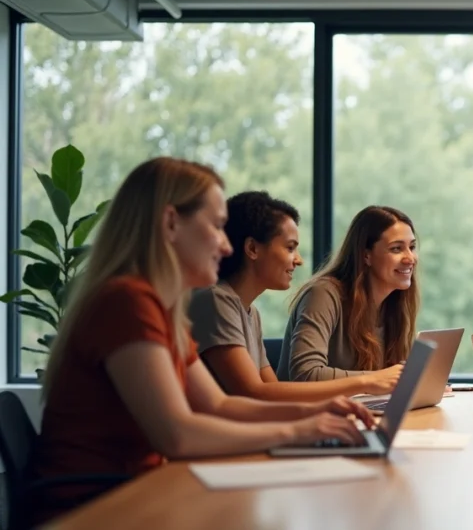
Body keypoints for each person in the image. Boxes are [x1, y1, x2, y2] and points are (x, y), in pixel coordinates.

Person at [26, 158, 374, 527]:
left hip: (141, 492)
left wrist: (316, 413)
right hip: (96, 510)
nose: (226, 246)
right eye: (218, 227)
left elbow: (220, 404)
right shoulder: (126, 302)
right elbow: (178, 435)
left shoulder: (163, 306)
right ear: (171, 222)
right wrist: (299, 431)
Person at [189, 191, 371, 399]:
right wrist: (366, 382)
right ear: (252, 248)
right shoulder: (215, 300)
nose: (298, 260)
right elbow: (255, 392)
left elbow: (271, 390)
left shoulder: (250, 312)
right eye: (290, 248)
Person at [276, 206, 418, 390]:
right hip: (304, 416)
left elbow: (392, 379)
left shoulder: (394, 305)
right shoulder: (323, 294)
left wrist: (419, 384)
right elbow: (305, 373)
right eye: (397, 249)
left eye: (412, 247)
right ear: (366, 255)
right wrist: (376, 379)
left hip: (354, 412)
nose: (410, 258)